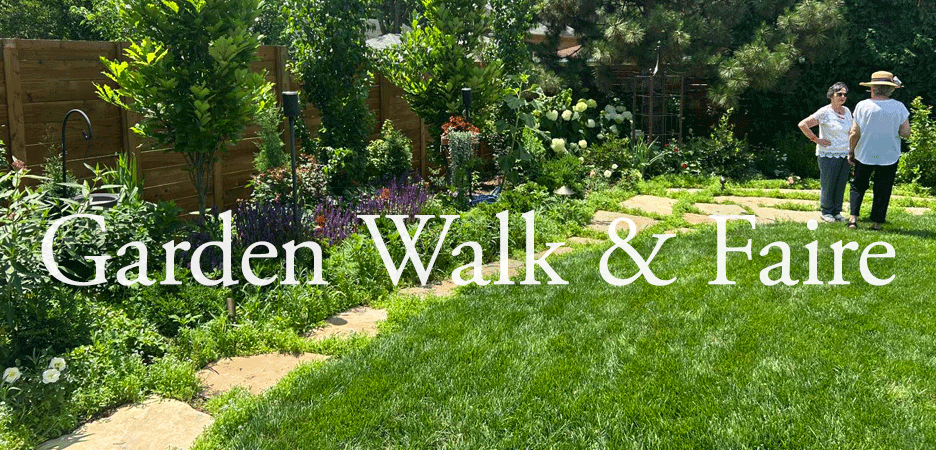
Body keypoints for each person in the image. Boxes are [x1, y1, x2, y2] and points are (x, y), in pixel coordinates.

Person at [847, 71, 911, 230]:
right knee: (883, 188)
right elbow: (905, 132)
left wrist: (851, 151)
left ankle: (853, 219)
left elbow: (854, 132)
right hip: (889, 154)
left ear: (873, 88)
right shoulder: (899, 107)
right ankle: (877, 223)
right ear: (890, 89)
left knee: (858, 185)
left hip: (864, 152)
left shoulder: (862, 105)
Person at [798, 82, 853, 222]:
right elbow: (803, 124)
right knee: (829, 184)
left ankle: (836, 211)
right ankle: (826, 211)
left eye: (845, 94)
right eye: (839, 94)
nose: (842, 97)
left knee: (840, 184)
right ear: (831, 95)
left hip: (845, 154)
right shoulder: (824, 112)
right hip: (828, 154)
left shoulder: (847, 111)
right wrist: (816, 139)